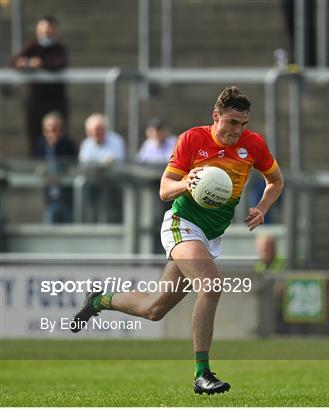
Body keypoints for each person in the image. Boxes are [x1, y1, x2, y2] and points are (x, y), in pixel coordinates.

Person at [70, 87, 284, 394]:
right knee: (211, 286)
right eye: (232, 122)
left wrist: (262, 208)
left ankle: (98, 300)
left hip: (210, 236)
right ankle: (202, 374)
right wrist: (186, 183)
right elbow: (164, 188)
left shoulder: (253, 145)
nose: (237, 130)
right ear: (216, 117)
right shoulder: (192, 139)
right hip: (182, 224)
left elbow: (276, 181)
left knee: (153, 309)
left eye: (243, 124)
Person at [11, 16, 68, 157]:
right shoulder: (32, 45)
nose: (44, 32)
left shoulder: (59, 47)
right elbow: (14, 61)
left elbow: (58, 63)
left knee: (58, 135)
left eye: (48, 29)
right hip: (36, 101)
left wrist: (41, 63)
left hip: (55, 100)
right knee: (35, 137)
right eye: (41, 29)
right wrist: (23, 63)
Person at [35, 111, 77, 223]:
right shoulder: (41, 144)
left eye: (55, 129)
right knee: (50, 220)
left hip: (67, 195)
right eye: (49, 129)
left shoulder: (68, 143)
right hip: (49, 194)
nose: (52, 133)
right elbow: (37, 165)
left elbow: (73, 166)